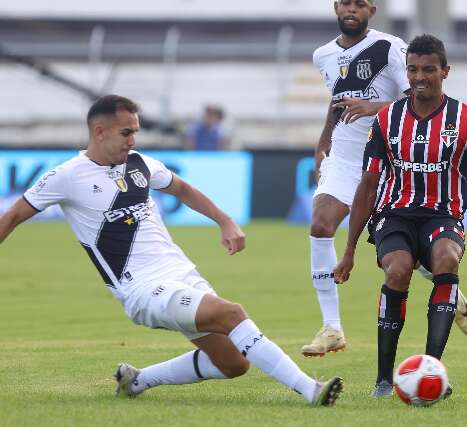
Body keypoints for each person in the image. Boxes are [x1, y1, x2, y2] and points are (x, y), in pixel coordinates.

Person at [0, 95, 343, 406]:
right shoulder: (67, 176)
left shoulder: (140, 164)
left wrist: (225, 221)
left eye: (135, 131)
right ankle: (309, 390)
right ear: (100, 131)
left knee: (233, 364)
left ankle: (136, 381)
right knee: (232, 314)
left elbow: (182, 188)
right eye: (126, 132)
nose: (133, 139)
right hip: (143, 290)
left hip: (181, 275)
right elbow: (14, 215)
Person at [333, 34, 467, 397]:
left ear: (445, 71)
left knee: (446, 259)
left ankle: (430, 370)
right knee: (398, 269)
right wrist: (349, 251)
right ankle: (384, 381)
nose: (419, 77)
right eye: (412, 70)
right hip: (394, 213)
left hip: (444, 216)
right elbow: (368, 186)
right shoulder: (388, 119)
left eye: (428, 70)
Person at [303, 0, 467, 358]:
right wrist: (323, 143)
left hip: (388, 161)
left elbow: (419, 97)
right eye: (345, 3)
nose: (351, 9)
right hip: (346, 156)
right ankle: (331, 327)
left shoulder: (389, 47)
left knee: (402, 258)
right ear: (336, 7)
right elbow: (337, 99)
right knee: (320, 225)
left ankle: (449, 290)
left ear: (372, 10)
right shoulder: (322, 55)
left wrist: (373, 109)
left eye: (359, 4)